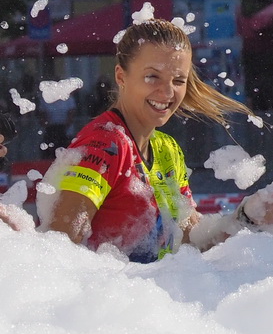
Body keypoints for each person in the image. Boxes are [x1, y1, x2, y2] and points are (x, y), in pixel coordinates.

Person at [42, 19, 250, 261]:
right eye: (152, 77)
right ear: (121, 76)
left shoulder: (167, 149)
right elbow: (57, 248)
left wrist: (250, 218)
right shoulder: (105, 143)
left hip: (149, 295)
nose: (168, 92)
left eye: (178, 81)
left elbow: (191, 241)